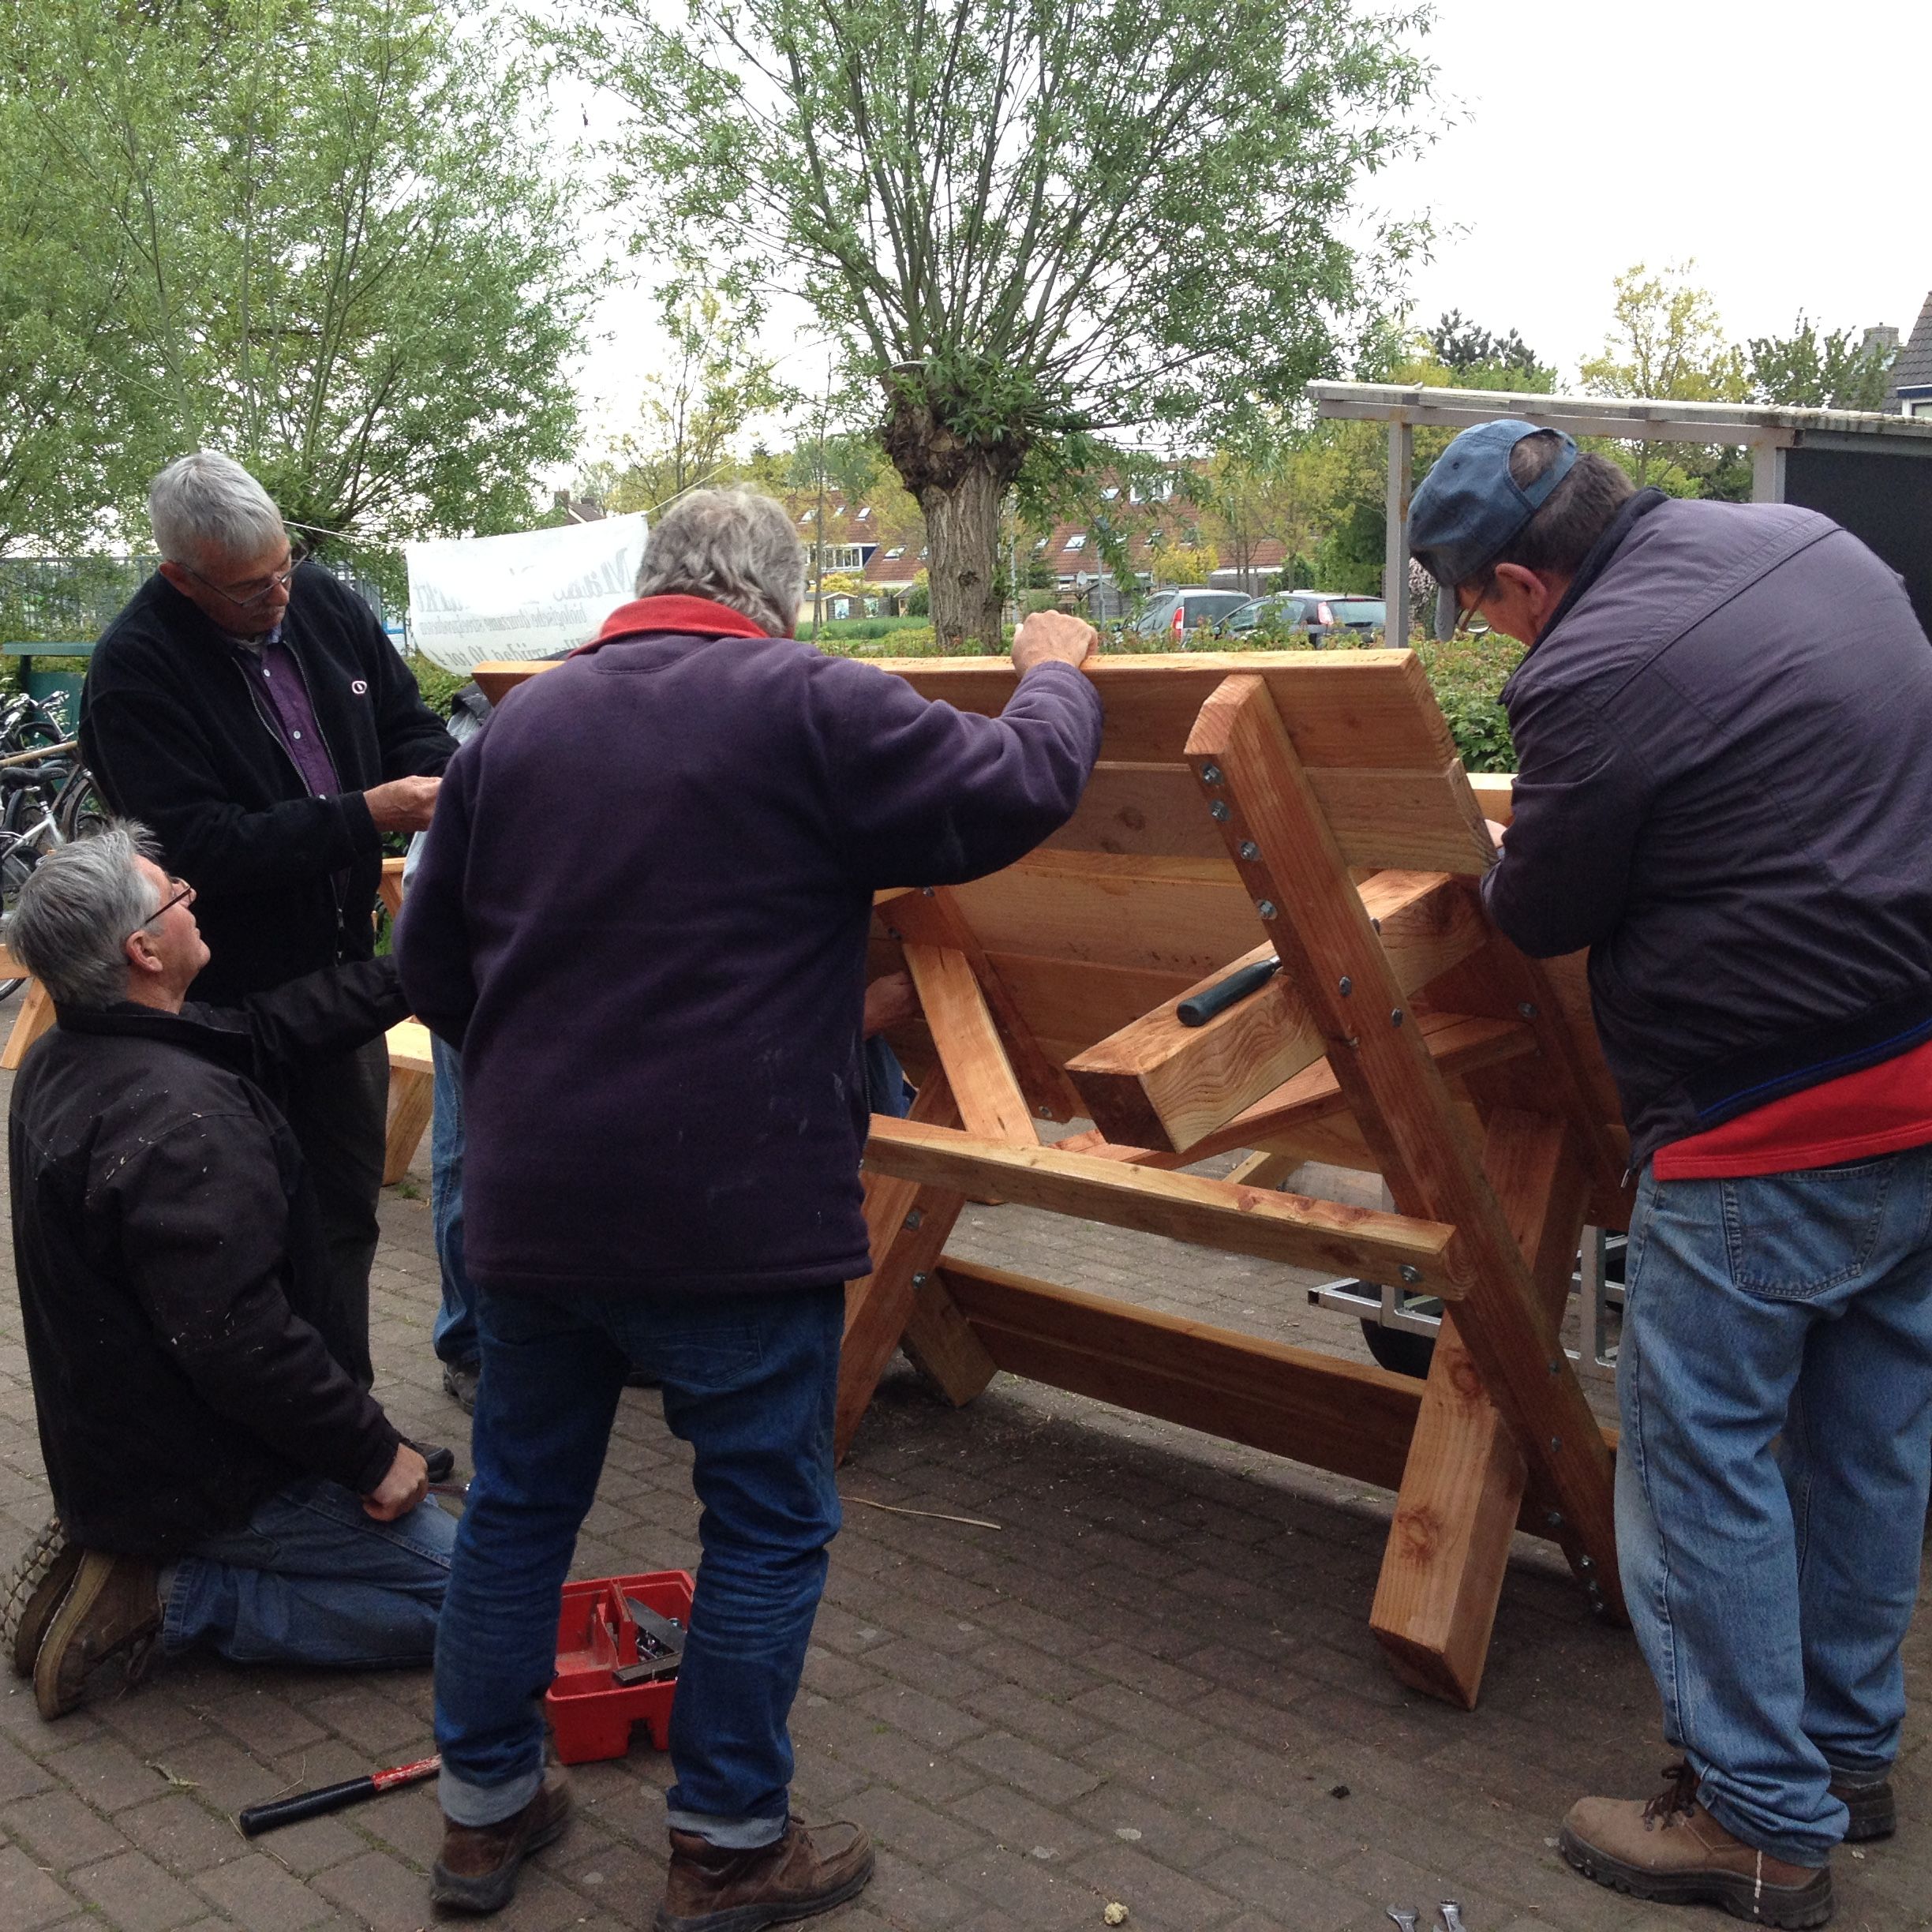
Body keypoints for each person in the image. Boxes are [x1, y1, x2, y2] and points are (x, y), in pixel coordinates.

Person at [396, 488, 1104, 1925]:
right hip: (733, 1209)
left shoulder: (516, 729)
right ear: (784, 599)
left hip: (535, 1209)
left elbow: (430, 969)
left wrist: (549, 1060)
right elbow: (1009, 792)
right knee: (767, 1521)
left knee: (521, 1506)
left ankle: (481, 1811)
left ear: (647, 581)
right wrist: (1053, 676)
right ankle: (724, 1842)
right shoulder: (807, 702)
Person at [1408, 420, 1932, 1930]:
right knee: (1864, 1446)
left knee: (1702, 1469)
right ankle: (1844, 1756)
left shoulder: (1587, 670)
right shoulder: (1812, 547)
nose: (1483, 631)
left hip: (1761, 1117)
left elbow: (1544, 907)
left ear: (1519, 576)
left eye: (1477, 606)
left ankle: (1754, 1823)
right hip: (1916, 1080)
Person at [0, 826, 455, 1720]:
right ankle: (176, 1596)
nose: (193, 898)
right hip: (216, 1474)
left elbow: (265, 1031)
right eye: (175, 894)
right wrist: (373, 1456)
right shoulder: (180, 1120)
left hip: (131, 1445)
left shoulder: (78, 1051)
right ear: (143, 949)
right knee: (491, 1605)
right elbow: (243, 1342)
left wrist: (417, 971)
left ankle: (137, 1543)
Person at [79, 451, 457, 1413]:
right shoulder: (135, 671)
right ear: (181, 576)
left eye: (285, 566)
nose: (279, 597)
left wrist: (445, 782)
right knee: (239, 1230)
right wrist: (366, 811)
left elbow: (409, 721)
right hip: (224, 1001)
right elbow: (198, 845)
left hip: (336, 977)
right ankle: (264, 1448)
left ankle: (348, 1427)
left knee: (342, 1213)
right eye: (251, 590)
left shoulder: (323, 603)